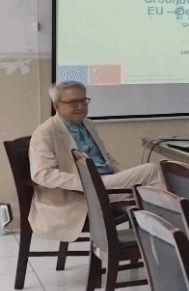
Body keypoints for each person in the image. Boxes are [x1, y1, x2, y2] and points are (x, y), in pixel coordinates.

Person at [28, 80, 163, 242]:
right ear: (56, 105)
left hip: (104, 183)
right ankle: (165, 237)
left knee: (149, 187)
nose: (81, 106)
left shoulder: (88, 124)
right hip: (80, 194)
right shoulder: (45, 132)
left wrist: (126, 176)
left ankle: (156, 237)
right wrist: (85, 182)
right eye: (73, 102)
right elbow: (42, 174)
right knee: (151, 171)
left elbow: (106, 159)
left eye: (84, 101)